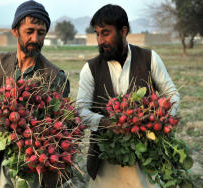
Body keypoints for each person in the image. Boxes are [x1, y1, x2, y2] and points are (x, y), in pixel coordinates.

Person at [0, 1, 70, 187]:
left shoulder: (55, 76)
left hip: (37, 170)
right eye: (29, 31)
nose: (35, 38)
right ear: (15, 31)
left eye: (41, 32)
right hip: (0, 164)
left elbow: (64, 129)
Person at [76, 4, 180, 188]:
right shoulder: (90, 69)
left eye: (106, 33)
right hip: (104, 161)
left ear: (123, 31)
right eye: (97, 34)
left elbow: (171, 94)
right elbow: (81, 111)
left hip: (145, 156)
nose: (100, 40)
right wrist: (107, 123)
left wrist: (158, 121)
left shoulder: (149, 58)